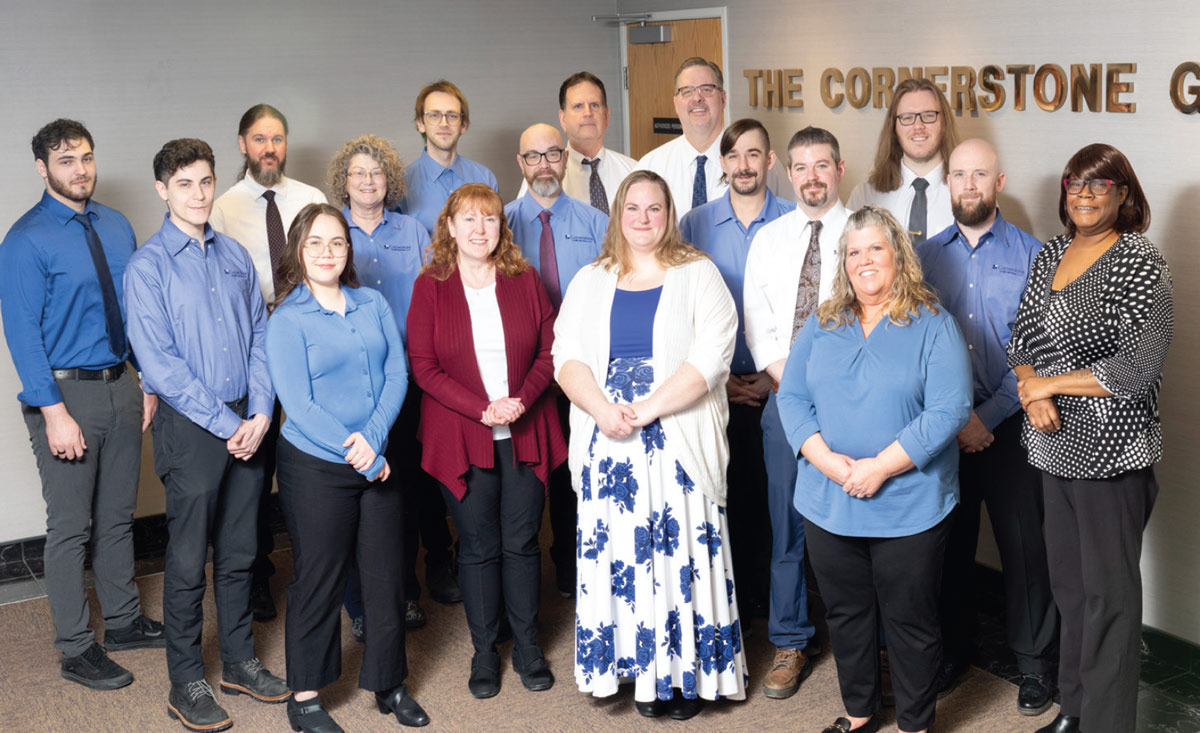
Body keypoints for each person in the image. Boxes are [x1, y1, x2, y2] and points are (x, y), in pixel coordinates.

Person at [555, 170, 747, 720]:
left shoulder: (699, 274)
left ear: (670, 215)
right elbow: (564, 355)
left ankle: (686, 678)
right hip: (607, 435)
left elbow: (712, 357)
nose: (643, 219)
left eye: (655, 208)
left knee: (678, 553)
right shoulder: (591, 279)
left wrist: (648, 408)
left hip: (676, 435)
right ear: (618, 215)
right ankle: (629, 670)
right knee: (620, 556)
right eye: (633, 208)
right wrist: (601, 409)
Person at [777, 206, 972, 733]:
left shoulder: (934, 323)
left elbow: (950, 409)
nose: (864, 261)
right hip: (827, 500)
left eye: (875, 249)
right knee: (846, 615)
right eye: (853, 251)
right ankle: (861, 714)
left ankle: (914, 723)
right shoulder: (823, 323)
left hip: (909, 505)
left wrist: (880, 468)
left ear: (898, 256)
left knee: (910, 623)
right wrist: (825, 461)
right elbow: (791, 398)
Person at [125, 138, 289, 732]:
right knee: (190, 559)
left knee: (242, 551)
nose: (198, 194)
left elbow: (260, 338)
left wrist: (262, 413)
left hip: (249, 417)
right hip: (193, 427)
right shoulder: (147, 268)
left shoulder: (237, 255)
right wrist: (230, 426)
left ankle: (240, 661)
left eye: (205, 181)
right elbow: (161, 366)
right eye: (185, 184)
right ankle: (185, 679)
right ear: (163, 190)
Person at [1008, 144, 1172, 733]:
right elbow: (1020, 337)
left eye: (1100, 185)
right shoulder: (1051, 251)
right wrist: (1036, 389)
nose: (1084, 194)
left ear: (1123, 194)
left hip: (1112, 454)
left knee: (1110, 599)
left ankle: (1107, 723)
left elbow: (1136, 367)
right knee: (1070, 590)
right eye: (1076, 182)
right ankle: (1074, 709)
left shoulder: (1138, 261)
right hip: (1053, 448)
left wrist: (1046, 383)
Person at [0, 118, 163, 691]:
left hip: (121, 383)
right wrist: (53, 412)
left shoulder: (116, 226)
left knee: (118, 518)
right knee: (71, 527)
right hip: (65, 395)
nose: (81, 169)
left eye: (87, 157)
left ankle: (121, 623)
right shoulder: (25, 240)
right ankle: (74, 647)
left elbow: (137, 311)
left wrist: (146, 381)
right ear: (43, 168)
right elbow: (22, 334)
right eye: (66, 160)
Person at [266, 204, 428, 731]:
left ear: (348, 250)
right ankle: (306, 697)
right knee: (320, 576)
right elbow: (298, 403)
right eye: (315, 243)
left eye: (337, 243)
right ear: (298, 250)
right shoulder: (287, 318)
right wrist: (355, 451)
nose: (328, 253)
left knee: (386, 576)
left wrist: (374, 442)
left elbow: (395, 372)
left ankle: (389, 683)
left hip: (376, 458)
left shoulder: (372, 303)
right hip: (315, 465)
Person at [407, 183, 565, 699]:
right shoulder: (430, 285)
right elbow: (424, 368)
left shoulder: (524, 280)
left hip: (524, 428)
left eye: (491, 219)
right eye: (469, 220)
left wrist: (520, 400)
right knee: (477, 547)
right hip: (461, 435)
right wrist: (482, 408)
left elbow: (549, 350)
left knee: (522, 543)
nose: (480, 230)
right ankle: (483, 652)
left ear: (503, 227)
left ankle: (527, 646)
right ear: (449, 227)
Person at [917, 139, 1056, 712]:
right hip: (944, 428)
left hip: (1013, 424)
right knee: (948, 547)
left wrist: (988, 415)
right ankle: (955, 651)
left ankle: (1034, 666)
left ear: (999, 182)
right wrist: (955, 418)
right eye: (959, 174)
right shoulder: (921, 257)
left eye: (980, 175)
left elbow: (1041, 348)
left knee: (1024, 548)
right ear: (946, 182)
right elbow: (916, 343)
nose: (969, 184)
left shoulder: (1033, 253)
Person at [328, 134, 458, 634]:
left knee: (402, 491)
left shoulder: (413, 229)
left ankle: (405, 592)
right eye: (358, 173)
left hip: (407, 379)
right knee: (356, 494)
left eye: (377, 173)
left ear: (391, 181)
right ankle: (360, 604)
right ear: (344, 180)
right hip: (353, 384)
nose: (367, 181)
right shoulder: (332, 231)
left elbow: (438, 296)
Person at [210, 103, 329, 622]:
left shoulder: (310, 198)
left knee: (310, 459)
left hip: (308, 343)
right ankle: (256, 573)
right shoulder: (220, 208)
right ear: (242, 144)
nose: (269, 149)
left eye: (277, 139)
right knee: (255, 467)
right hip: (254, 349)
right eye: (259, 139)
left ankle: (316, 564)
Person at [743, 126, 850, 699]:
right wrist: (796, 386)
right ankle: (790, 640)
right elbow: (759, 322)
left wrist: (834, 393)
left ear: (839, 169)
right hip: (786, 402)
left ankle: (865, 640)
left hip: (853, 408)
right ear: (788, 171)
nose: (811, 177)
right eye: (801, 167)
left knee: (853, 525)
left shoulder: (867, 234)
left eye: (822, 166)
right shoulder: (771, 238)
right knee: (786, 526)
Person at [679, 118, 794, 633]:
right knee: (725, 495)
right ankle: (735, 608)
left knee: (778, 502)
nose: (743, 165)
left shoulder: (794, 221)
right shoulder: (693, 225)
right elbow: (679, 310)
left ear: (769, 161)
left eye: (754, 154)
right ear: (721, 164)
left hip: (783, 387)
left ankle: (777, 610)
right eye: (733, 156)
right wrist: (715, 377)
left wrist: (776, 378)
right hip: (715, 385)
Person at [505, 122, 608, 596]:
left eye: (552, 155)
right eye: (533, 156)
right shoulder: (499, 226)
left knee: (578, 477)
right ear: (520, 163)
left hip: (584, 375)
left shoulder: (597, 224)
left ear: (566, 160)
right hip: (522, 377)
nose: (544, 165)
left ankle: (574, 571)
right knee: (524, 485)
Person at [847, 78, 958, 245]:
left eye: (928, 115)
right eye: (907, 117)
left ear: (944, 123)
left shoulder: (971, 194)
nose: (918, 126)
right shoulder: (864, 197)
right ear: (894, 127)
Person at [517, 71, 636, 213]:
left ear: (606, 115)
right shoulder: (544, 175)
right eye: (578, 106)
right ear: (563, 119)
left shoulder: (633, 171)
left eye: (594, 105)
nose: (588, 113)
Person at [398, 80, 499, 235]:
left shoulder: (485, 178)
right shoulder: (402, 184)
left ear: (463, 124)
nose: (444, 123)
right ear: (420, 124)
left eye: (452, 116)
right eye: (434, 115)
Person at [635, 58, 729, 219]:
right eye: (687, 91)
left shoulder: (753, 161)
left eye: (707, 89)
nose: (697, 98)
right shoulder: (651, 166)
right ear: (676, 103)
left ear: (723, 98)